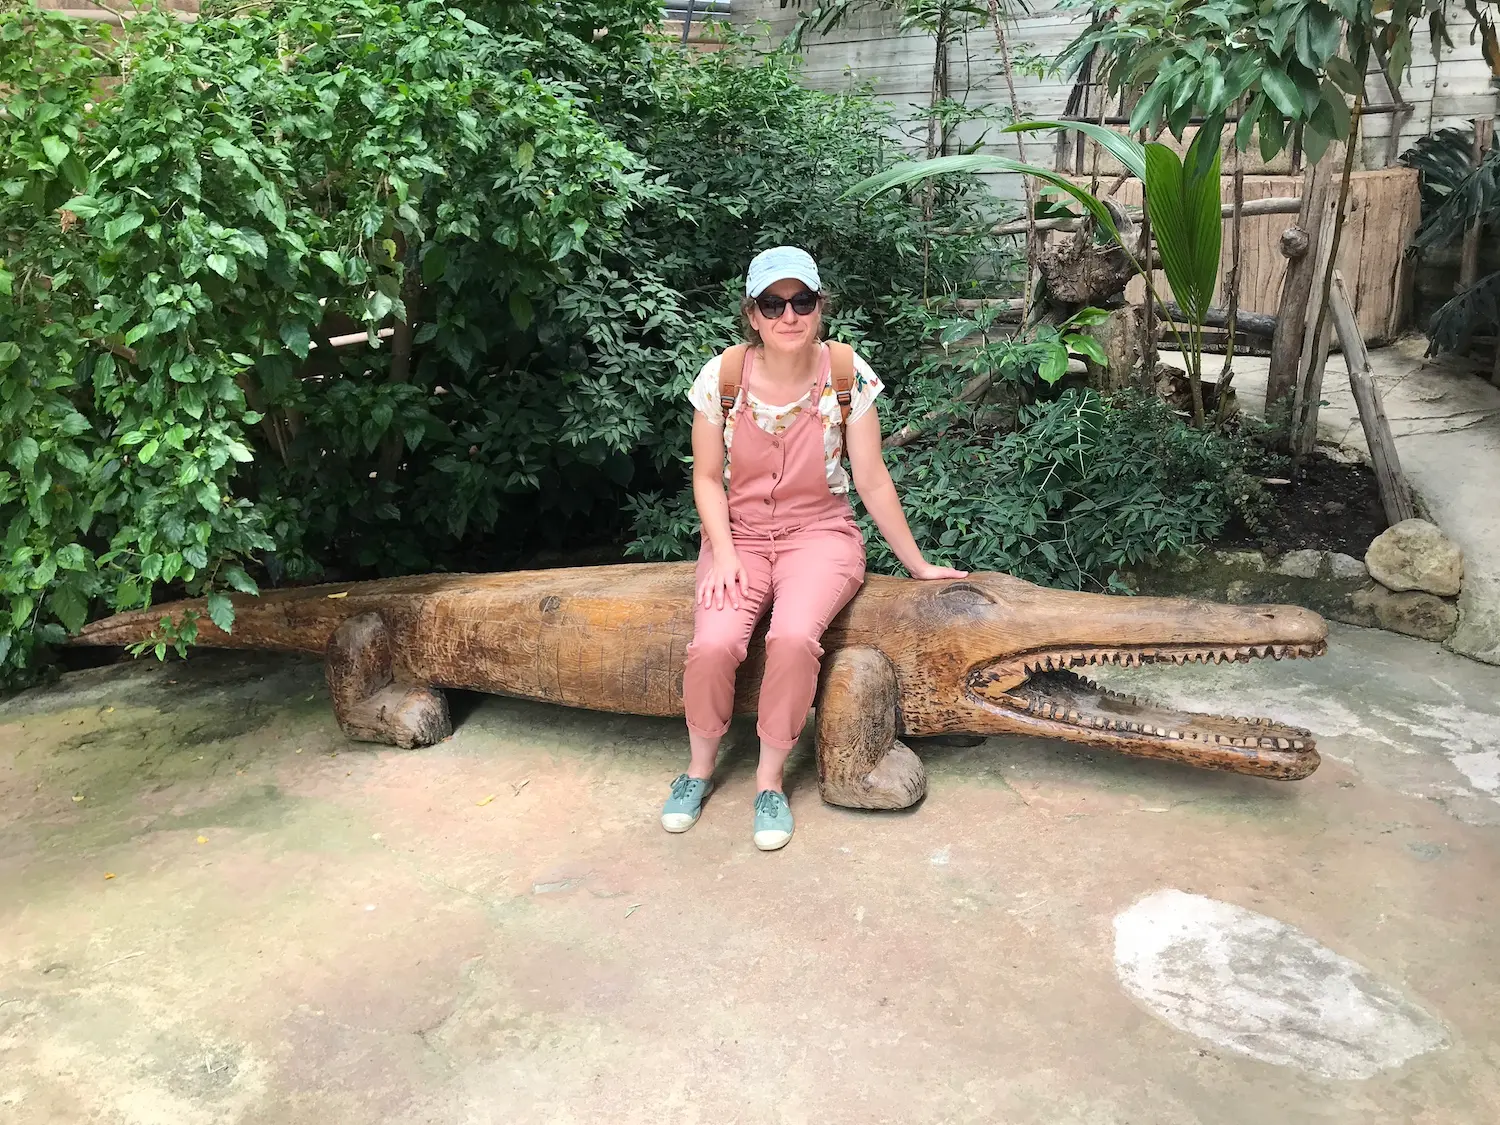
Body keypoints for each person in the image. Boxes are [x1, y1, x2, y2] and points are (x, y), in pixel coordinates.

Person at [662, 246, 967, 851]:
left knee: (794, 637)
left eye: (802, 301)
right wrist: (722, 555)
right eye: (773, 304)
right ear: (753, 314)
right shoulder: (721, 377)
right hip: (741, 536)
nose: (789, 315)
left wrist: (918, 564)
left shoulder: (848, 376)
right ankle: (697, 769)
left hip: (821, 535)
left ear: (819, 306)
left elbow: (872, 477)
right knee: (715, 641)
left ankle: (769, 781)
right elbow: (704, 478)